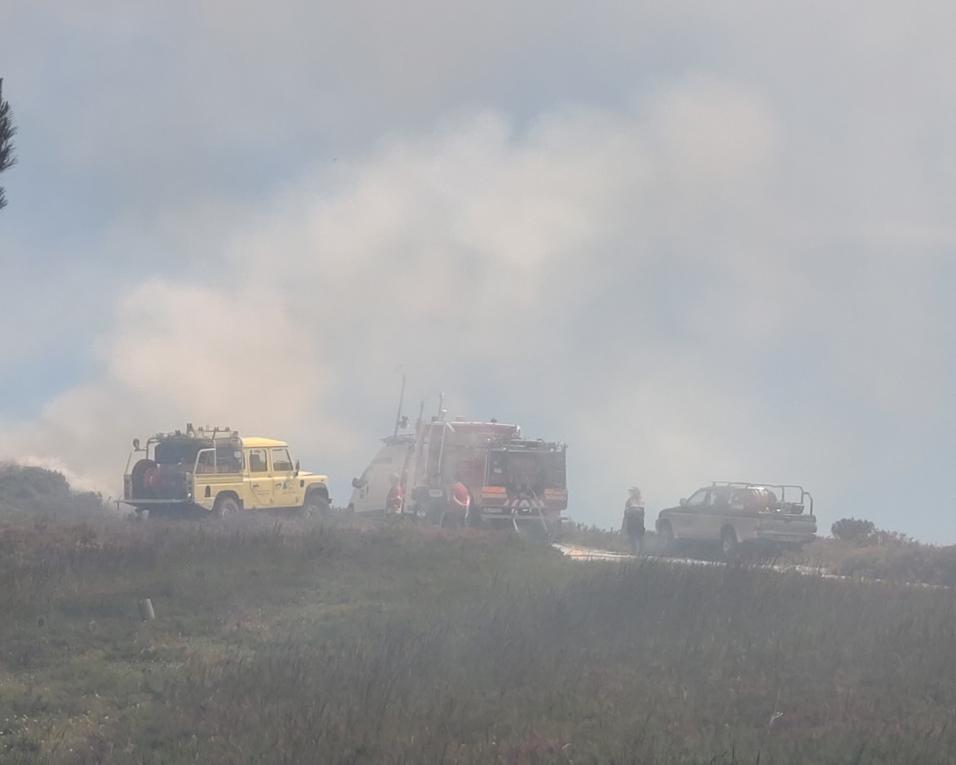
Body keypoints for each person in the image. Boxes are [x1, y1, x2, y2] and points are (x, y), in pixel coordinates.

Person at [622, 486, 646, 555]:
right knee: (632, 537)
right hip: (632, 521)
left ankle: (640, 552)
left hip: (637, 522)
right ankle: (634, 551)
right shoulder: (630, 500)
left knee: (639, 537)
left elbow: (642, 511)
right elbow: (626, 511)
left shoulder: (640, 500)